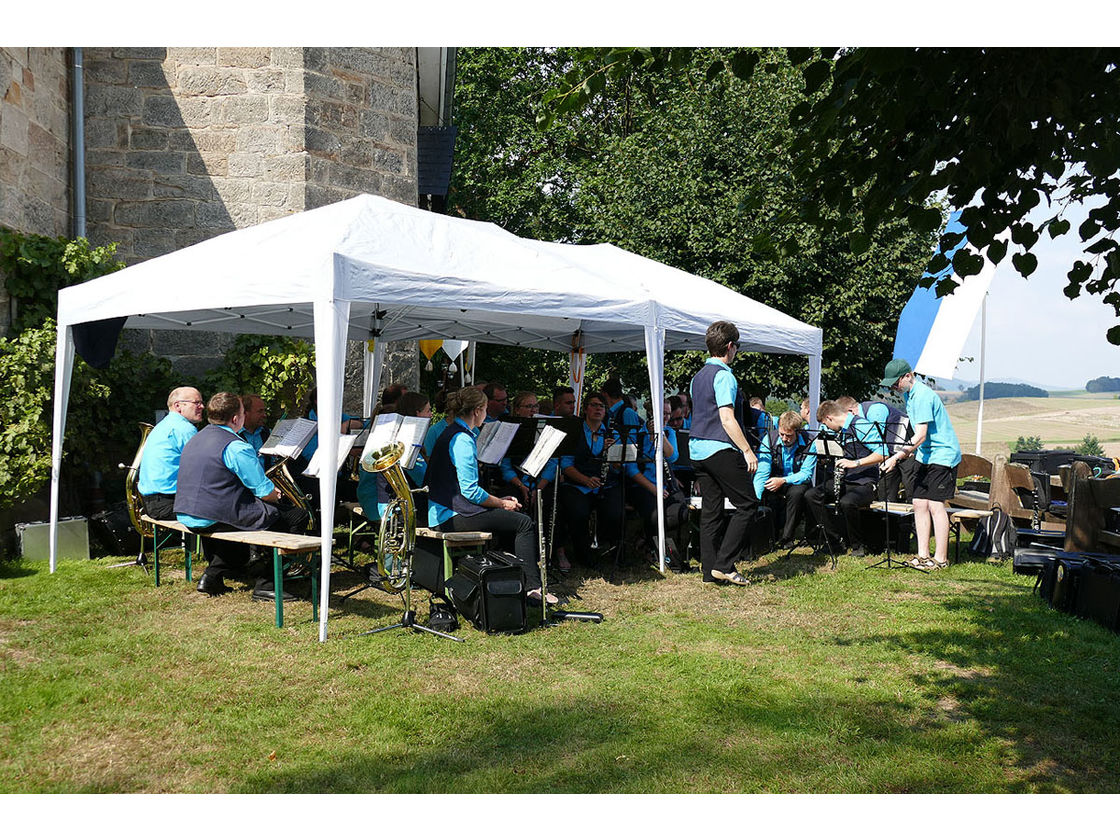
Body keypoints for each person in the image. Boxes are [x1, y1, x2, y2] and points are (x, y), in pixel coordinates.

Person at [175, 393, 309, 599]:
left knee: (239, 525)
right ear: (236, 419)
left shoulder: (196, 437)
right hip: (212, 514)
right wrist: (276, 495)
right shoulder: (237, 446)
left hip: (187, 512)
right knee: (297, 516)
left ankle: (211, 578)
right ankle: (268, 584)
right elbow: (263, 491)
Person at [427, 387, 555, 604]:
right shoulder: (462, 439)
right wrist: (502, 504)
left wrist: (500, 503)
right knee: (523, 523)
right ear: (477, 411)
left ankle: (510, 578)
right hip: (451, 515)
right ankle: (533, 589)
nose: (486, 414)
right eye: (485, 409)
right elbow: (470, 491)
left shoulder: (451, 432)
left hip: (444, 510)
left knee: (511, 520)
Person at [688, 320, 760, 586]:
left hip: (697, 449)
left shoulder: (697, 377)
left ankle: (709, 571)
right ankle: (725, 565)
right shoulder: (725, 376)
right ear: (730, 347)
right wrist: (747, 450)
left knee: (711, 510)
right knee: (748, 504)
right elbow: (727, 419)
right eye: (737, 346)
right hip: (720, 448)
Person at [879, 359, 963, 570]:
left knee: (935, 505)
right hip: (925, 456)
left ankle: (941, 559)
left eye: (895, 383)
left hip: (943, 456)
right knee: (918, 503)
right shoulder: (909, 395)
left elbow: (921, 435)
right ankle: (922, 555)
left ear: (908, 376)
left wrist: (896, 457)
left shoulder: (923, 396)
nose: (893, 388)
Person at [804, 400, 889, 557]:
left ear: (829, 418)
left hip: (865, 482)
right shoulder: (841, 431)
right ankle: (835, 542)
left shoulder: (861, 425)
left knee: (847, 502)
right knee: (812, 495)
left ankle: (858, 545)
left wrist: (855, 463)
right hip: (847, 480)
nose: (827, 428)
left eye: (825, 424)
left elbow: (883, 453)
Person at [558, 393, 625, 569]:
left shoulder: (612, 433)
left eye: (601, 406)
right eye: (593, 405)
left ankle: (611, 550)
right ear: (585, 409)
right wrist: (586, 480)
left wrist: (613, 454)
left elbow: (618, 467)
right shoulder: (574, 431)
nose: (597, 409)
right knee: (578, 512)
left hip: (606, 483)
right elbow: (566, 465)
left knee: (615, 513)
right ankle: (583, 554)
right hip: (579, 483)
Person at [357, 390, 431, 528]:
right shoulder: (405, 442)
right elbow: (425, 480)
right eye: (428, 411)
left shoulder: (381, 438)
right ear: (416, 414)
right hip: (386, 507)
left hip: (371, 501)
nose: (431, 415)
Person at [137, 386, 205, 520]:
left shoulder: (164, 425)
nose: (202, 406)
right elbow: (205, 466)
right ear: (178, 406)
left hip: (152, 502)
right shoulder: (184, 429)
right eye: (196, 403)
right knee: (227, 511)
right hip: (168, 503)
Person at [754, 410, 817, 548]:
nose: (783, 438)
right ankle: (769, 535)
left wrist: (783, 480)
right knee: (766, 489)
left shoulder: (811, 441)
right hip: (775, 478)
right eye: (781, 434)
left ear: (798, 432)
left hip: (797, 481)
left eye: (788, 436)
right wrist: (755, 500)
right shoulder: (769, 439)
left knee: (796, 494)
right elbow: (762, 471)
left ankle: (787, 537)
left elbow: (806, 473)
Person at [835, 395, 916, 502]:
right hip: (890, 453)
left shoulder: (875, 410)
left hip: (907, 450)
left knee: (912, 489)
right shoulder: (861, 419)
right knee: (885, 493)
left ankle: (914, 517)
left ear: (850, 411)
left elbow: (877, 439)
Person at [239, 393, 270, 468]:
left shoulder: (267, 433)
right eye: (260, 411)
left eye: (264, 411)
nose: (264, 415)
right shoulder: (233, 436)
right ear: (245, 413)